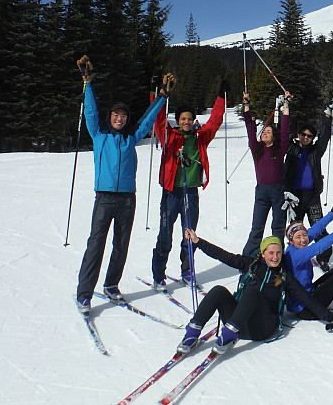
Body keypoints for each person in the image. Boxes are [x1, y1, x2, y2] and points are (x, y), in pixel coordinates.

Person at [75, 55, 173, 314]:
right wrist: (88, 83)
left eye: (123, 116)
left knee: (121, 243)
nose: (120, 118)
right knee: (96, 243)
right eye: (116, 115)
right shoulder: (99, 134)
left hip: (128, 198)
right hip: (105, 198)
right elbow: (92, 112)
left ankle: (111, 285)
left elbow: (147, 120)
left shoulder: (132, 137)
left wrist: (162, 97)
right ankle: (84, 294)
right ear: (110, 117)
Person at [176, 229, 333, 355]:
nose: (275, 257)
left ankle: (229, 334)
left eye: (278, 253)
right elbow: (224, 255)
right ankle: (192, 333)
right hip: (241, 324)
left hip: (262, 328)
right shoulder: (251, 265)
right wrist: (198, 242)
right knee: (217, 291)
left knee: (253, 292)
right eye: (271, 253)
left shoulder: (284, 277)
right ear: (263, 254)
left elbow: (307, 300)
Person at [150, 78, 230, 290]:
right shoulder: (168, 136)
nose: (186, 122)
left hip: (191, 194)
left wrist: (221, 96)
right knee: (165, 235)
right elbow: (157, 119)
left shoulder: (200, 137)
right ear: (177, 120)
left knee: (190, 235)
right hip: (171, 193)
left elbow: (215, 120)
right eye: (182, 119)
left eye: (189, 119)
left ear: (194, 120)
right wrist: (157, 93)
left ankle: (187, 271)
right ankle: (159, 275)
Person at [284, 100, 333, 271]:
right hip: (294, 196)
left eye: (309, 136)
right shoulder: (290, 149)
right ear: (298, 134)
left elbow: (325, 137)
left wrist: (327, 117)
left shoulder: (315, 151)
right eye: (303, 134)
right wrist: (286, 107)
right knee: (295, 232)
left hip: (312, 196)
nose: (306, 138)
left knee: (319, 228)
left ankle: (323, 258)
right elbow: (286, 129)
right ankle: (296, 257)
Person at [241, 90, 290, 257]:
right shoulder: (256, 150)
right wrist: (246, 105)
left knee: (278, 227)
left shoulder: (280, 148)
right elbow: (249, 127)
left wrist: (286, 107)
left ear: (274, 137)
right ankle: (248, 259)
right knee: (257, 228)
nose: (265, 133)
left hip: (278, 191)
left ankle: (277, 258)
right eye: (263, 132)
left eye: (268, 131)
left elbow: (284, 131)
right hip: (261, 192)